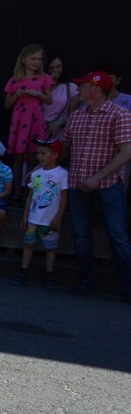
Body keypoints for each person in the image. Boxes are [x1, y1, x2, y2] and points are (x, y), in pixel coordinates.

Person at [60, 70, 131, 300]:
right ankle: (87, 280)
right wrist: (42, 164)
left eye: (83, 85)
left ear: (96, 89)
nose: (79, 89)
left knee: (118, 236)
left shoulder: (119, 114)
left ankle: (127, 286)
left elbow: (127, 152)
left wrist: (97, 178)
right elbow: (65, 148)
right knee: (81, 235)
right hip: (78, 183)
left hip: (108, 184)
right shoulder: (76, 116)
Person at [13, 139, 69, 289]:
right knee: (28, 244)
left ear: (55, 155)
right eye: (38, 153)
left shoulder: (62, 174)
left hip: (50, 220)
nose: (39, 156)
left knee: (50, 248)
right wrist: (25, 215)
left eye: (43, 153)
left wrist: (58, 217)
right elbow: (31, 195)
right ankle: (23, 271)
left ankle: (49, 274)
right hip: (33, 218)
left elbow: (64, 197)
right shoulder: (36, 174)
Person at [3, 44, 53, 202]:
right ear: (23, 59)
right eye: (33, 59)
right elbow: (7, 104)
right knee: (18, 159)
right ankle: (17, 193)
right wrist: (16, 95)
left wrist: (38, 93)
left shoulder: (44, 78)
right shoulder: (14, 80)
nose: (37, 62)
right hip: (19, 121)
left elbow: (49, 100)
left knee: (32, 158)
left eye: (39, 59)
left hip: (35, 121)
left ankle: (29, 192)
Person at [43, 55, 79, 139]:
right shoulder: (38, 87)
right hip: (39, 129)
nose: (55, 71)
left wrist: (58, 123)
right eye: (51, 68)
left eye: (58, 67)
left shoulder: (71, 87)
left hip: (59, 132)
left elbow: (73, 116)